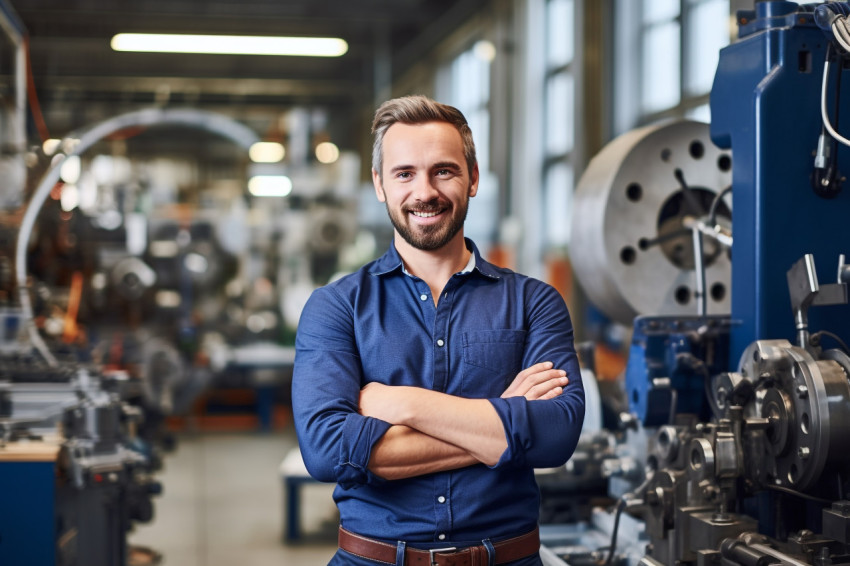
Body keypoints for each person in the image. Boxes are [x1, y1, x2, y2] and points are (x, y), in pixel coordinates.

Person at [292, 95, 584, 566]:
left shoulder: (535, 302)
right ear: (380, 185)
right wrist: (504, 422)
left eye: (443, 171)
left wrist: (403, 404)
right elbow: (327, 451)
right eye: (404, 173)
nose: (424, 191)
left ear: (472, 177)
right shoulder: (336, 307)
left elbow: (557, 435)